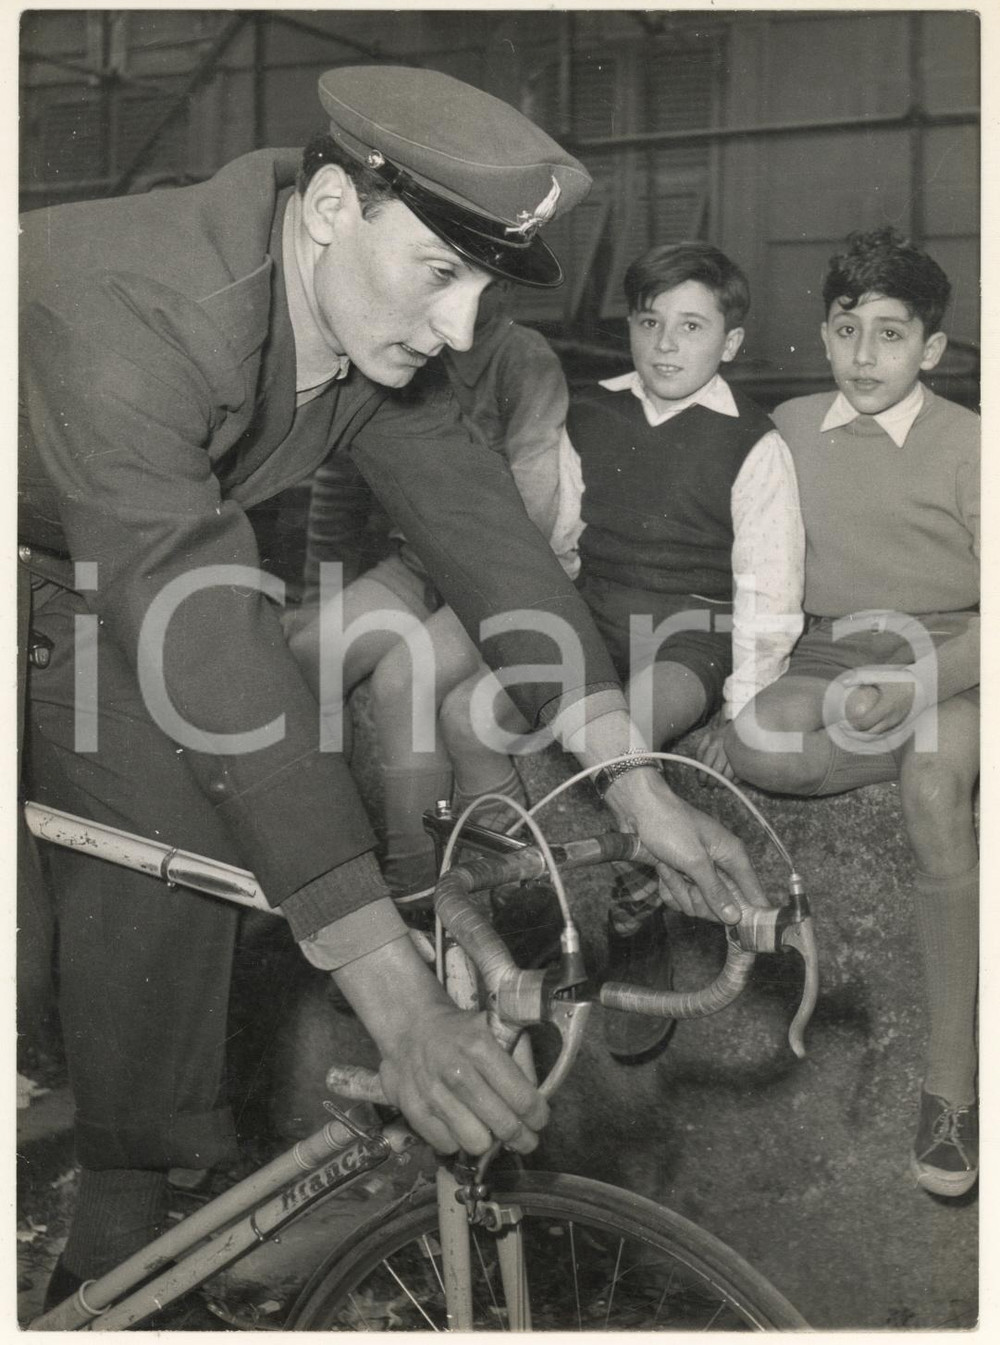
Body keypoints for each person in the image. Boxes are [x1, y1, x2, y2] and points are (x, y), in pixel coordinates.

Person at [19, 65, 772, 1308]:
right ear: (329, 208)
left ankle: (115, 1258)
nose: (463, 330)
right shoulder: (138, 305)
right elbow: (207, 647)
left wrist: (636, 788)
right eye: (440, 274)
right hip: (80, 540)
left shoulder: (362, 321)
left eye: (485, 288)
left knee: (173, 831)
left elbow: (490, 543)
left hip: (73, 558)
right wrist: (400, 1004)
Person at [436, 241, 805, 1059]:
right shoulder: (593, 410)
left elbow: (770, 592)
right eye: (650, 323)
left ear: (730, 343)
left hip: (688, 634)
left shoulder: (753, 441)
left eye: (691, 326)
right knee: (466, 717)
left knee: (628, 727)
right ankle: (513, 906)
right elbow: (565, 537)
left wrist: (742, 709)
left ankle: (636, 910)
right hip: (592, 617)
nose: (667, 344)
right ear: (631, 328)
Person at [723, 227, 979, 1197]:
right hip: (833, 647)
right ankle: (912, 741)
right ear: (821, 336)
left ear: (930, 347)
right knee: (756, 738)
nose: (864, 357)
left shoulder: (971, 444)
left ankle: (951, 1082)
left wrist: (920, 691)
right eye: (844, 331)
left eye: (889, 334)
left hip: (959, 656)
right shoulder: (786, 427)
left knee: (930, 782)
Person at [288, 283, 576, 901]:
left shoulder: (525, 360)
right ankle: (332, 863)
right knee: (310, 656)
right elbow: (340, 480)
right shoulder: (408, 342)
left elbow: (537, 492)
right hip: (418, 566)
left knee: (402, 680)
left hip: (497, 574)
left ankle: (419, 885)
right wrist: (318, 591)